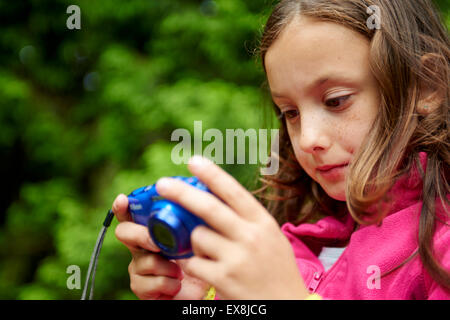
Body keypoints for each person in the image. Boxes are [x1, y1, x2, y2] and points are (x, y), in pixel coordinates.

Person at [112, 0, 449, 300]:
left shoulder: (440, 248)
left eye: (336, 101)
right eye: (291, 112)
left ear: (426, 86)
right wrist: (205, 295)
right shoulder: (291, 250)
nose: (307, 139)